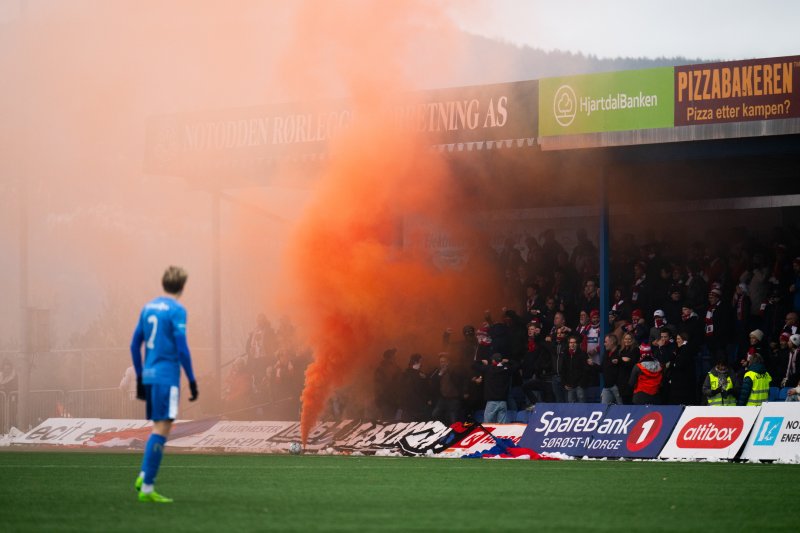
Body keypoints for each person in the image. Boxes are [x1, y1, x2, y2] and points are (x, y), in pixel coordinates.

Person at [130, 265, 198, 503]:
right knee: (162, 429)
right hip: (168, 376)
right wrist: (191, 378)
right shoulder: (177, 310)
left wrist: (140, 375)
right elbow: (182, 348)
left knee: (158, 427)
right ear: (182, 287)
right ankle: (148, 487)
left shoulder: (147, 308)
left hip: (150, 375)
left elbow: (133, 345)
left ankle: (143, 476)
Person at [473, 353, 516, 423]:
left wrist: (481, 361)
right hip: (503, 402)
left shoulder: (488, 368)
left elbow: (473, 365)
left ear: (493, 360)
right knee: (501, 426)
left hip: (491, 402)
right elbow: (517, 365)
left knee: (488, 425)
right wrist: (508, 361)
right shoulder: (506, 369)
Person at [599, 333, 623, 405]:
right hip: (607, 386)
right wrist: (592, 365)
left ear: (612, 342)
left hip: (617, 386)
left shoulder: (620, 352)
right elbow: (602, 368)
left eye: (606, 342)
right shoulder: (606, 353)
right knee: (603, 407)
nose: (604, 344)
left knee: (621, 407)